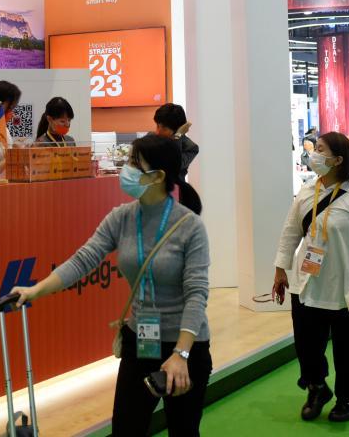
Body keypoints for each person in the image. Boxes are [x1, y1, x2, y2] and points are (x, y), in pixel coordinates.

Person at [11, 135, 210, 436]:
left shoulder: (190, 226)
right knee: (126, 429)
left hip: (186, 346)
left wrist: (181, 354)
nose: (126, 169)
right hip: (141, 341)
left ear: (157, 176)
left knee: (183, 431)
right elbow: (83, 260)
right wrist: (35, 290)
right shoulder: (122, 217)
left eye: (134, 163)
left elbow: (197, 294)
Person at [273, 132, 349, 424]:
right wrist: (280, 269)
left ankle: (348, 399)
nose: (313, 154)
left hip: (345, 288)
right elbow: (290, 232)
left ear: (338, 160)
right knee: (307, 346)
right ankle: (317, 388)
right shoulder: (307, 191)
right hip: (307, 284)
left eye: (320, 150)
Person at [153, 103, 199, 179]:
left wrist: (177, 136)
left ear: (178, 129)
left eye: (164, 129)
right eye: (157, 126)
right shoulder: (152, 138)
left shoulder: (191, 148)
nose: (157, 132)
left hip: (174, 185)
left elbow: (172, 164)